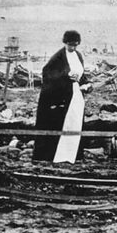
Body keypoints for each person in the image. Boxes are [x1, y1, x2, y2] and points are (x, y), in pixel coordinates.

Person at [34, 30, 89, 163]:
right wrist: (66, 76)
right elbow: (47, 74)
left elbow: (82, 75)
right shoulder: (58, 57)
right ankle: (57, 156)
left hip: (76, 96)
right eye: (70, 45)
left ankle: (74, 154)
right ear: (65, 43)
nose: (73, 48)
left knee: (75, 124)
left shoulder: (78, 56)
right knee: (61, 124)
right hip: (61, 97)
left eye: (75, 45)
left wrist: (86, 83)